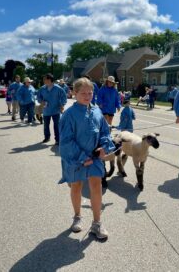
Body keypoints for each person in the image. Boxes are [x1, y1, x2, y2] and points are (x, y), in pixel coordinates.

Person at [59, 77, 114, 239]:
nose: (87, 96)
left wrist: (104, 146)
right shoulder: (68, 115)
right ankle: (77, 217)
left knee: (96, 186)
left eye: (90, 93)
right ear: (74, 93)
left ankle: (97, 223)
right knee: (76, 186)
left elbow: (105, 132)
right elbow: (66, 141)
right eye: (83, 93)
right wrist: (82, 158)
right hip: (76, 159)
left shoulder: (97, 110)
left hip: (95, 158)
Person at [37, 74, 67, 145]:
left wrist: (62, 104)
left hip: (56, 110)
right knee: (46, 125)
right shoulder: (42, 89)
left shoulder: (58, 88)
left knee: (56, 125)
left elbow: (64, 97)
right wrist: (41, 101)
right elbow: (38, 97)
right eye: (43, 79)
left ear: (50, 80)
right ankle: (47, 137)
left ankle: (58, 139)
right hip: (46, 111)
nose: (43, 81)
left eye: (45, 79)